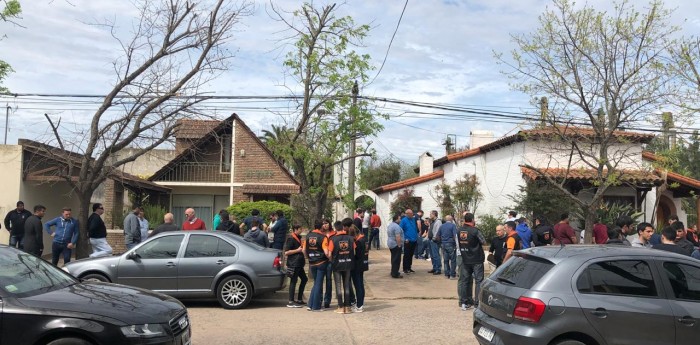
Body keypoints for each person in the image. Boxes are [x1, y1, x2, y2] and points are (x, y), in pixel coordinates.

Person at [327, 218, 356, 314]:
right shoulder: (350, 239)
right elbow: (354, 251)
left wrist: (332, 261)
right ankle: (347, 307)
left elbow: (329, 254)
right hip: (348, 264)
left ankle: (340, 306)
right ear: (343, 228)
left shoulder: (333, 239)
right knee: (347, 285)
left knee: (338, 286)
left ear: (335, 229)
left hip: (337, 266)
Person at [458, 213, 485, 311]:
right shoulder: (475, 230)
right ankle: (477, 303)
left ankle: (464, 302)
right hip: (476, 259)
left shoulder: (459, 230)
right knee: (479, 281)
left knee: (465, 281)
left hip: (465, 258)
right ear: (473, 219)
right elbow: (483, 241)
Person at [306, 220, 329, 312]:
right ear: (321, 227)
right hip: (321, 262)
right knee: (318, 284)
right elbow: (326, 252)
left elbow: (304, 250)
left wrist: (308, 258)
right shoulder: (323, 237)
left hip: (312, 262)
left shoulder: (308, 236)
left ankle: (310, 304)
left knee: (316, 283)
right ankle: (316, 306)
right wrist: (330, 258)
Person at [284, 224, 307, 308]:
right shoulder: (291, 238)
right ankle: (291, 301)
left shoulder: (299, 237)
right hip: (294, 263)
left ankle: (299, 299)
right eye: (300, 229)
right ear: (295, 229)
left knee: (304, 279)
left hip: (299, 263)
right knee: (293, 281)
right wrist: (297, 250)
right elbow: (286, 252)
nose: (301, 230)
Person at [351, 222, 369, 313]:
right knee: (361, 285)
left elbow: (356, 255)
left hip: (357, 265)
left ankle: (359, 305)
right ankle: (361, 303)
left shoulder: (358, 242)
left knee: (358, 286)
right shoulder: (364, 238)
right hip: (363, 264)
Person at [324, 220, 341, 308]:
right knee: (327, 280)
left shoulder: (334, 234)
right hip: (322, 260)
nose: (325, 225)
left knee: (333, 280)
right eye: (323, 223)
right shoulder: (320, 234)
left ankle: (337, 300)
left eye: (326, 223)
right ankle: (326, 300)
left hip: (333, 260)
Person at [439, 215, 458, 279]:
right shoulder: (453, 226)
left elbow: (438, 235)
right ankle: (452, 274)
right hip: (450, 243)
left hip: (443, 244)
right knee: (453, 260)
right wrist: (457, 244)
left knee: (445, 260)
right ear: (451, 219)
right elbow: (455, 235)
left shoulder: (442, 226)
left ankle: (447, 274)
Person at [400, 209, 418, 274]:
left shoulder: (413, 219)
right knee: (406, 255)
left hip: (414, 240)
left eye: (412, 213)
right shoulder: (403, 220)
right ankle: (405, 268)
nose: (412, 214)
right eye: (411, 213)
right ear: (407, 214)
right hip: (407, 240)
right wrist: (404, 239)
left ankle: (409, 267)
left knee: (411, 255)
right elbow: (400, 230)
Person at [387, 213, 404, 279]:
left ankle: (393, 271)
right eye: (399, 218)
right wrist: (399, 245)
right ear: (396, 219)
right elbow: (398, 237)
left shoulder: (390, 225)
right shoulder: (396, 226)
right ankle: (395, 273)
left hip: (390, 243)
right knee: (396, 259)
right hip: (395, 244)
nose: (400, 220)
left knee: (393, 258)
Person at [427, 210, 443, 275]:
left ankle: (438, 269)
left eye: (431, 214)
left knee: (436, 255)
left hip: (435, 241)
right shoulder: (433, 221)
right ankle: (434, 267)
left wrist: (434, 238)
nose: (430, 215)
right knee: (432, 255)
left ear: (434, 214)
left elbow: (437, 231)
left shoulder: (438, 222)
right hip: (431, 240)